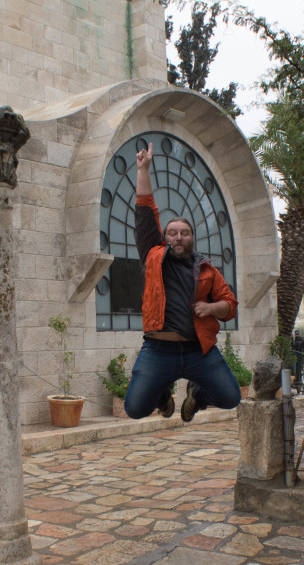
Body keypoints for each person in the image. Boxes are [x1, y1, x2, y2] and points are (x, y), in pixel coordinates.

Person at [122, 143, 241, 422]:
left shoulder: (207, 269)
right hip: (158, 349)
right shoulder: (153, 253)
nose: (177, 237)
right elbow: (145, 210)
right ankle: (161, 394)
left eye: (184, 233)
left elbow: (231, 305)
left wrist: (212, 309)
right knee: (135, 409)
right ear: (165, 237)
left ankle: (197, 395)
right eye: (172, 233)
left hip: (197, 350)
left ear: (191, 238)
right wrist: (143, 169)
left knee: (230, 397)